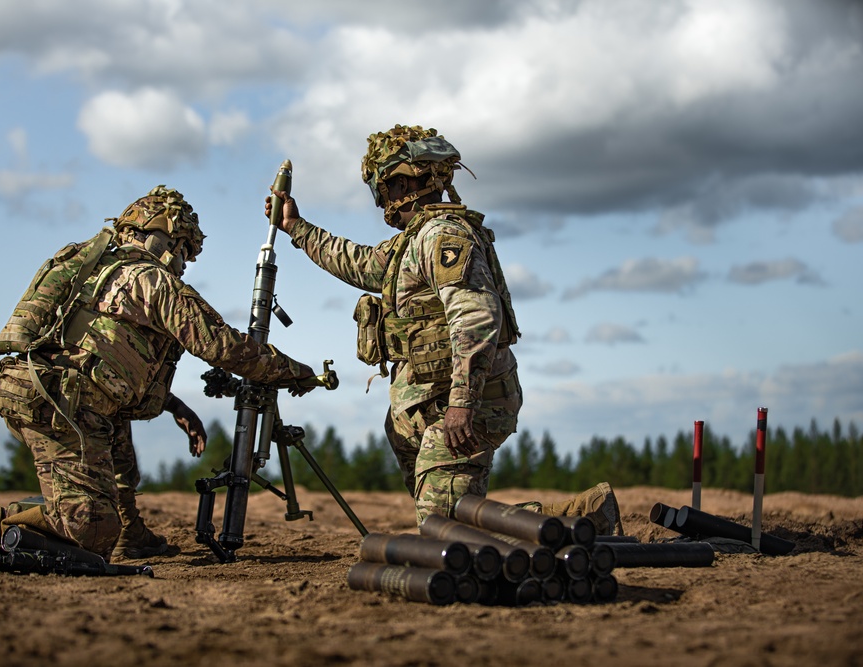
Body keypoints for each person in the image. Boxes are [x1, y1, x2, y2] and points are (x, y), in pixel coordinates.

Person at [0, 185, 317, 559]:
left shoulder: (93, 265)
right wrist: (290, 370)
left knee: (116, 433)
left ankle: (129, 531)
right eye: (184, 251)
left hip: (45, 390)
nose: (183, 263)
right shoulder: (150, 280)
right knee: (90, 530)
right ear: (165, 240)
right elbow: (223, 346)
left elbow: (95, 356)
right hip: (62, 406)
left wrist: (175, 406)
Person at [266, 124, 622, 534]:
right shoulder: (411, 243)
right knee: (450, 515)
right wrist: (297, 227)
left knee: (446, 526)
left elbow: (476, 317)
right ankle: (563, 522)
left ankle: (583, 519)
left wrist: (462, 404)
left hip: (463, 405)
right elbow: (357, 262)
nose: (382, 200)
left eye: (382, 187)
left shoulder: (441, 236)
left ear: (402, 182)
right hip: (428, 406)